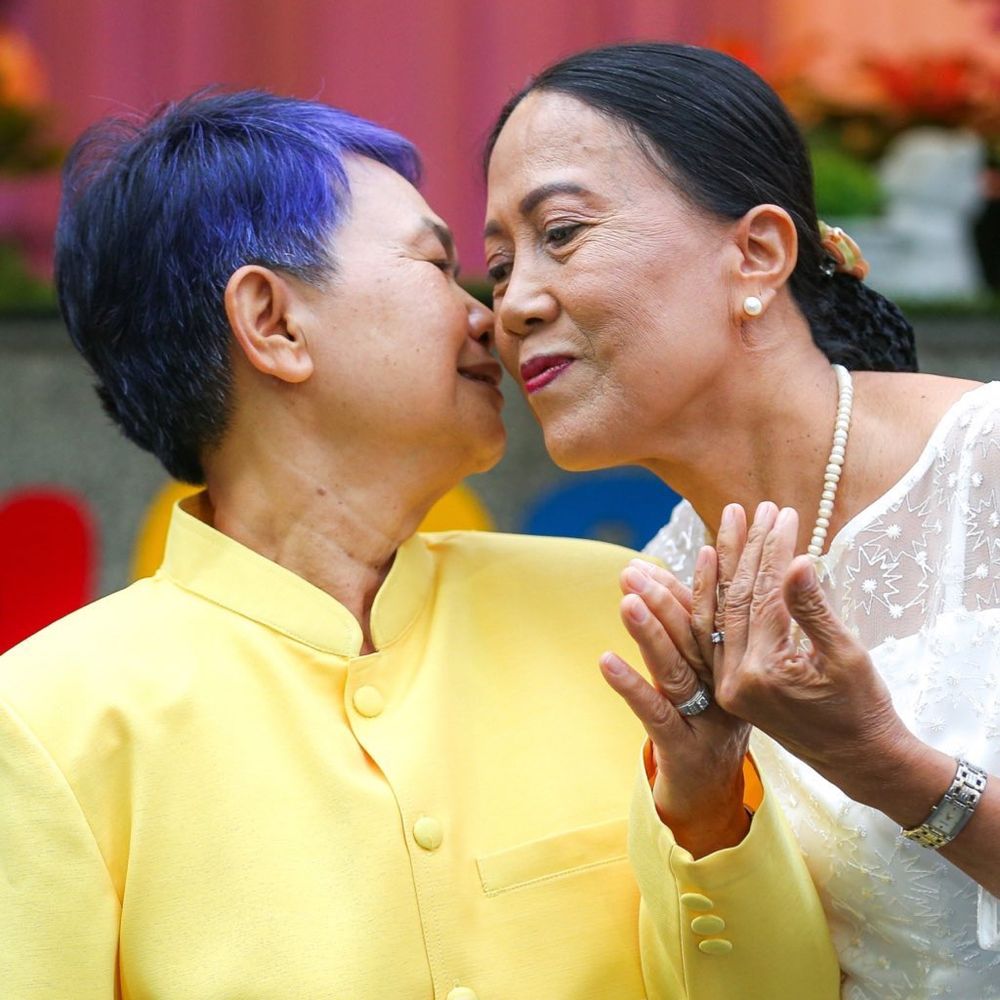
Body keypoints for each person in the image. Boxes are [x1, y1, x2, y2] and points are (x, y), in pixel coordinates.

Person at [0, 89, 839, 999]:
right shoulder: (49, 721)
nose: (498, 312)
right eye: (439, 266)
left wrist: (710, 811)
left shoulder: (621, 613)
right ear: (274, 323)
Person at [483, 42, 1000, 999]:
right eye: (499, 262)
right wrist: (709, 807)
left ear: (756, 252)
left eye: (560, 233)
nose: (512, 304)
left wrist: (885, 764)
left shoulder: (987, 464)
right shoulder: (651, 594)